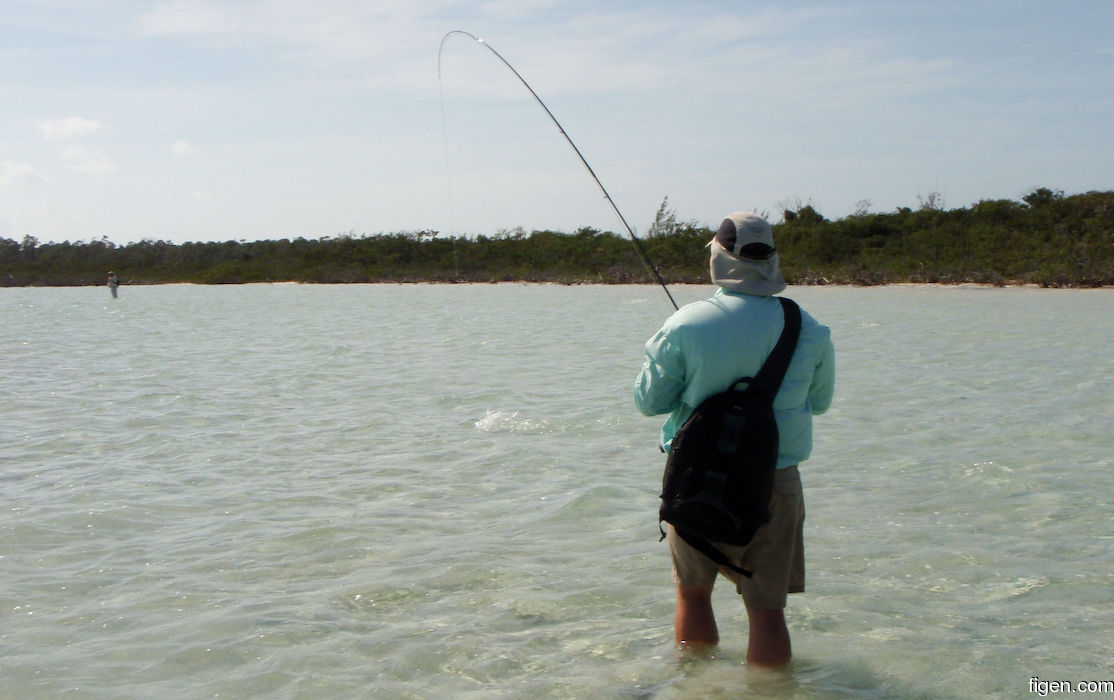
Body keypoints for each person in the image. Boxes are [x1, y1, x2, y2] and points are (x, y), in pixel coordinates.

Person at [634, 210, 835, 665]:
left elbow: (648, 402)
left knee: (692, 596)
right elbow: (819, 404)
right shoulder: (812, 329)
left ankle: (696, 690)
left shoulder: (687, 323)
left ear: (720, 259)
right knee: (767, 613)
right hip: (775, 482)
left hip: (695, 479)